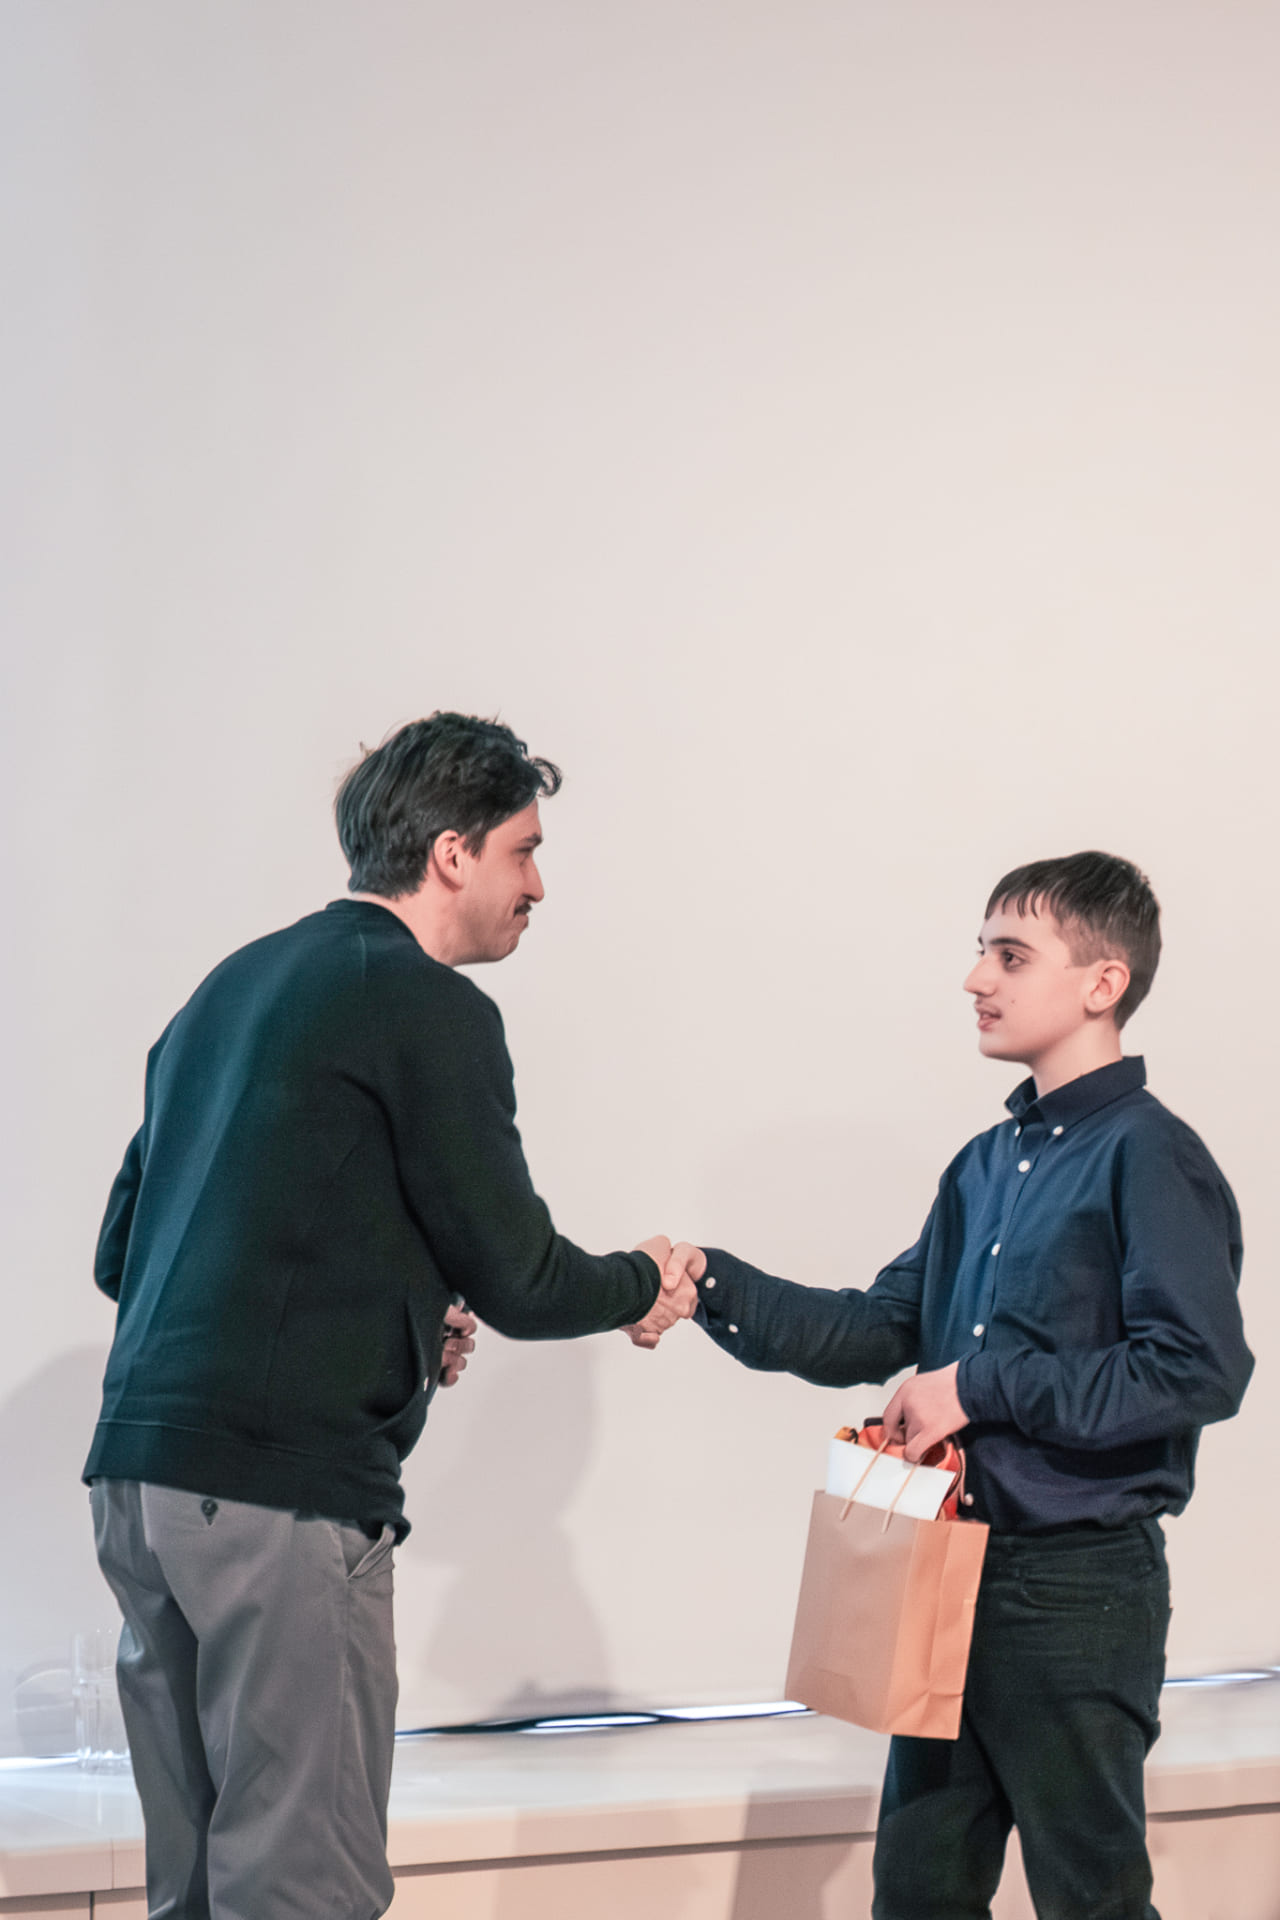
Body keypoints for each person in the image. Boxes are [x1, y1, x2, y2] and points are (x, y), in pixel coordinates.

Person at [84, 712, 695, 1920]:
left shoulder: (229, 988)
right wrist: (643, 1278)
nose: (538, 886)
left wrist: (400, 1304)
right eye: (525, 851)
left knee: (194, 1889)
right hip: (277, 1495)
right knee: (301, 1888)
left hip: (139, 1490)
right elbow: (523, 1279)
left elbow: (124, 1257)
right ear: (452, 854)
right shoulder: (426, 1003)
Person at [644, 851, 1252, 1920]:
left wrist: (977, 1386)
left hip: (1075, 1592)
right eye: (979, 952)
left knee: (1091, 1903)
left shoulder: (1149, 1156)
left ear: (1102, 983)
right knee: (917, 1895)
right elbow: (874, 1329)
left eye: (1009, 956)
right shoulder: (982, 1165)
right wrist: (706, 1282)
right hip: (943, 1574)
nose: (975, 978)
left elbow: (1195, 1368)